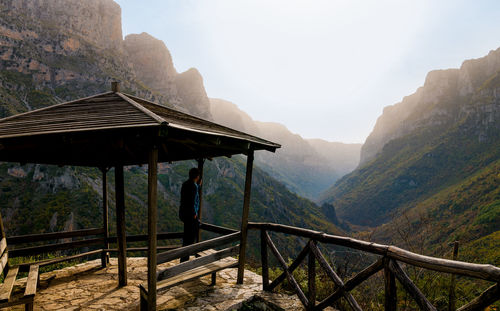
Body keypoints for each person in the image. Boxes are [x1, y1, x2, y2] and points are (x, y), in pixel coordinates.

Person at [179, 167, 201, 262]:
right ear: (197, 176)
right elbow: (192, 200)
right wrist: (194, 214)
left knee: (186, 236)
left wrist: (198, 186)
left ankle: (184, 258)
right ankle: (185, 259)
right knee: (190, 238)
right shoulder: (194, 186)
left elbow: (187, 197)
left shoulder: (185, 184)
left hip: (183, 214)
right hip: (191, 215)